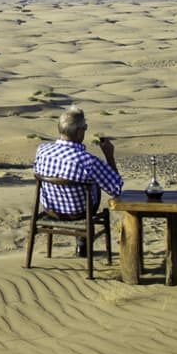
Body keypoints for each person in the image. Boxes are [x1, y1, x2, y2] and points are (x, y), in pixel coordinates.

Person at [34, 105, 124, 256]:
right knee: (89, 187)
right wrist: (109, 156)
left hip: (51, 210)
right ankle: (82, 244)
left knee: (78, 186)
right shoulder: (88, 161)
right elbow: (116, 189)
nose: (85, 130)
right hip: (80, 213)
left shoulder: (42, 151)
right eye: (85, 127)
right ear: (79, 132)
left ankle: (81, 246)